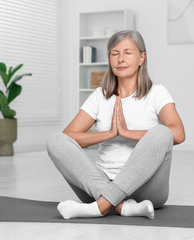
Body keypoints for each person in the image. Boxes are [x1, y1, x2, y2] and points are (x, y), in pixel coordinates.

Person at [46, 30, 185, 220]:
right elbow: (69, 137)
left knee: (162, 132)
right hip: (99, 185)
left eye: (128, 52)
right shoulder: (99, 96)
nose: (121, 59)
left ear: (141, 58)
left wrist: (127, 132)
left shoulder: (157, 93)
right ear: (109, 59)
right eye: (114, 53)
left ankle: (99, 208)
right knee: (56, 140)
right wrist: (110, 133)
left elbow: (178, 134)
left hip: (147, 190)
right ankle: (123, 207)